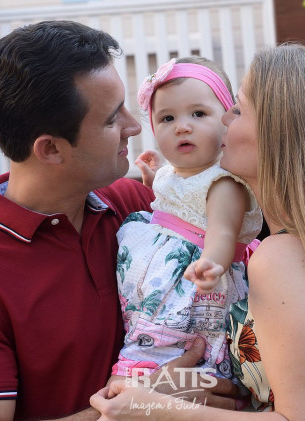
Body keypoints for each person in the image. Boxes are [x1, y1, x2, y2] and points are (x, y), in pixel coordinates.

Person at [90, 44, 305, 421]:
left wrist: (151, 407)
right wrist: (184, 387)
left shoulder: (281, 258)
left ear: (280, 135)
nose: (225, 117)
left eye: (238, 109)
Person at [0, 21, 240, 421]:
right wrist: (143, 404)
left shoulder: (139, 209)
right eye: (111, 119)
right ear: (51, 149)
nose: (134, 126)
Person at [110, 57, 262, 380]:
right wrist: (153, 180)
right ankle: (143, 358)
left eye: (198, 114)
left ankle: (163, 364)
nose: (182, 126)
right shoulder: (173, 173)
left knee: (186, 336)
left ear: (226, 120)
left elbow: (222, 232)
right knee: (149, 324)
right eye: (167, 118)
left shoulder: (223, 184)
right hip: (160, 280)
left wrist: (212, 263)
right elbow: (177, 204)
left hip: (195, 280)